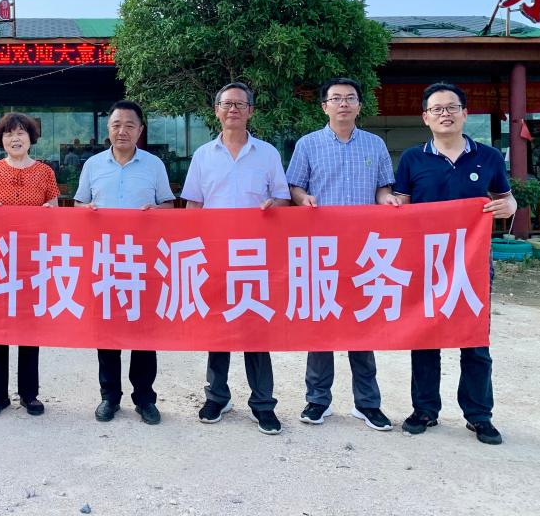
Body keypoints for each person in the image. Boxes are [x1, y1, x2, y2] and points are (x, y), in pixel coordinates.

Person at [393, 82, 516, 445]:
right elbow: (401, 205)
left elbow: (507, 199)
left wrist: (507, 207)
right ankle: (424, 409)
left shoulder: (488, 157)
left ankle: (479, 415)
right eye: (437, 109)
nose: (444, 114)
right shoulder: (413, 159)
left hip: (471, 263)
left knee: (474, 339)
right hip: (426, 262)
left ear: (465, 113)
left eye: (451, 107)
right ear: (425, 117)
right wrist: (392, 207)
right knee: (425, 337)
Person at [286, 77, 399, 432]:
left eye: (350, 98)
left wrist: (387, 200)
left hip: (364, 250)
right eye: (336, 98)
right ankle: (318, 400)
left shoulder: (375, 144)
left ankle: (368, 404)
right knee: (322, 326)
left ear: (359, 105)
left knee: (361, 326)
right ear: (325, 106)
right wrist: (303, 199)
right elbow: (295, 186)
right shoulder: (308, 144)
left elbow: (383, 188)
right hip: (322, 250)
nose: (343, 104)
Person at [180, 82, 290, 434]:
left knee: (256, 329)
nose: (233, 109)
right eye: (227, 104)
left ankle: (263, 403)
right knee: (218, 327)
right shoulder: (203, 155)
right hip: (215, 255)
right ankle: (217, 396)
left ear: (250, 111)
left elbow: (283, 198)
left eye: (240, 104)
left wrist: (274, 205)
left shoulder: (267, 154)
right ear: (216, 111)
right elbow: (194, 205)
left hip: (255, 257)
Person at [74, 100, 174, 425]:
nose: (122, 131)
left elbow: (169, 206)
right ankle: (109, 397)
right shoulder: (93, 165)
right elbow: (78, 205)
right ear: (108, 129)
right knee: (107, 330)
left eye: (130, 125)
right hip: (104, 259)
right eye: (116, 124)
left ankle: (145, 398)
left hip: (142, 261)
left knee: (144, 331)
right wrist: (87, 211)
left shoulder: (154, 165)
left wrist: (155, 212)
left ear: (140, 130)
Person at [0, 112, 59, 418]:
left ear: (31, 138)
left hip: (33, 261)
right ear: (1, 140)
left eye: (21, 132)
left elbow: (55, 212)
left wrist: (48, 212)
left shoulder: (45, 172)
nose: (15, 138)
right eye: (9, 133)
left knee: (29, 328)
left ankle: (29, 394)